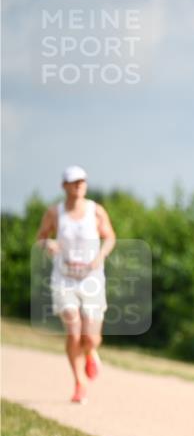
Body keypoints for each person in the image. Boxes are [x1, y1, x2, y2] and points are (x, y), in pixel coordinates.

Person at [35, 166, 116, 403]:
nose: (79, 185)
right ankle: (79, 382)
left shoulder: (96, 211)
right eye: (74, 182)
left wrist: (100, 256)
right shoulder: (54, 213)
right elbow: (40, 239)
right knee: (73, 330)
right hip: (64, 279)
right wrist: (47, 244)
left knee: (90, 337)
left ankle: (91, 352)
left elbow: (110, 236)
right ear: (64, 186)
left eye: (82, 181)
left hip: (91, 279)